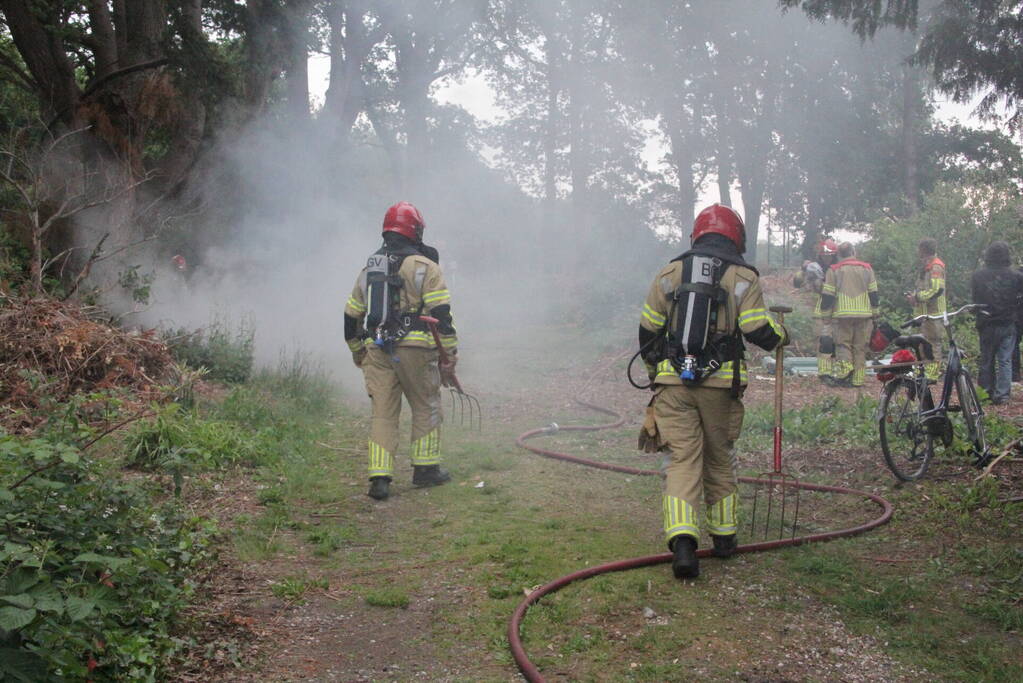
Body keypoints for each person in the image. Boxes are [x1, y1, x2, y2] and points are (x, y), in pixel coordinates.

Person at [638, 204, 787, 579]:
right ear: (737, 237)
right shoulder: (742, 275)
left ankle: (684, 544)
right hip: (721, 386)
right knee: (719, 457)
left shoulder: (669, 273)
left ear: (697, 235)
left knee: (682, 460)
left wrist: (657, 373)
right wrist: (783, 334)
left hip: (674, 384)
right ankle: (723, 540)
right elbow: (756, 328)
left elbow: (648, 329)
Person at [343, 202, 458, 501]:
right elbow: (442, 316)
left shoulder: (370, 268)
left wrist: (358, 351)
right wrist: (450, 355)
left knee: (383, 413)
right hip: (417, 351)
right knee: (426, 404)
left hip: (378, 350)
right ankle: (425, 470)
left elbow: (351, 315)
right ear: (415, 230)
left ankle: (379, 480)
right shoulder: (426, 268)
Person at [820, 242, 879, 387]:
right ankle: (858, 380)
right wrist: (875, 311)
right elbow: (873, 292)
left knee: (843, 345)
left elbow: (828, 295)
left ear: (839, 254)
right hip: (864, 314)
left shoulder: (834, 270)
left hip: (842, 314)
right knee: (859, 347)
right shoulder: (867, 268)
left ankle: (844, 372)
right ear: (854, 252)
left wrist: (825, 315)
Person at [971, 241, 1023, 404]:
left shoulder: (977, 276)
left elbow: (975, 301)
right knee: (1005, 360)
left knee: (987, 358)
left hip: (986, 322)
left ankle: (985, 392)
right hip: (1007, 322)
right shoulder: (1017, 277)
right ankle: (1002, 395)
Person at [793, 238, 839, 382]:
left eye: (830, 255)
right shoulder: (814, 267)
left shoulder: (839, 267)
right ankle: (825, 373)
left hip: (839, 310)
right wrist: (803, 268)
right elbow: (797, 283)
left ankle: (838, 371)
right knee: (825, 342)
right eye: (825, 255)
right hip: (822, 311)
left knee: (840, 344)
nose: (827, 258)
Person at [907, 239, 946, 382]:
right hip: (924, 314)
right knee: (923, 345)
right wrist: (914, 297)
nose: (918, 253)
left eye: (919, 249)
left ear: (923, 249)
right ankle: (925, 373)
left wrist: (918, 297)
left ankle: (932, 375)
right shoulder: (927, 267)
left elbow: (936, 290)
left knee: (932, 344)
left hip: (933, 314)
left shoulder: (935, 267)